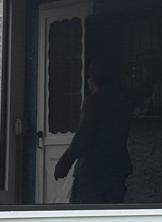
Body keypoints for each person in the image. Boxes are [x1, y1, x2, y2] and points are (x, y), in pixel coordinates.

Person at [54, 61, 134, 203]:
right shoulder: (123, 103)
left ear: (94, 81)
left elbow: (84, 136)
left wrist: (64, 163)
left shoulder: (94, 103)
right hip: (116, 168)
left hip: (93, 170)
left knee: (84, 213)